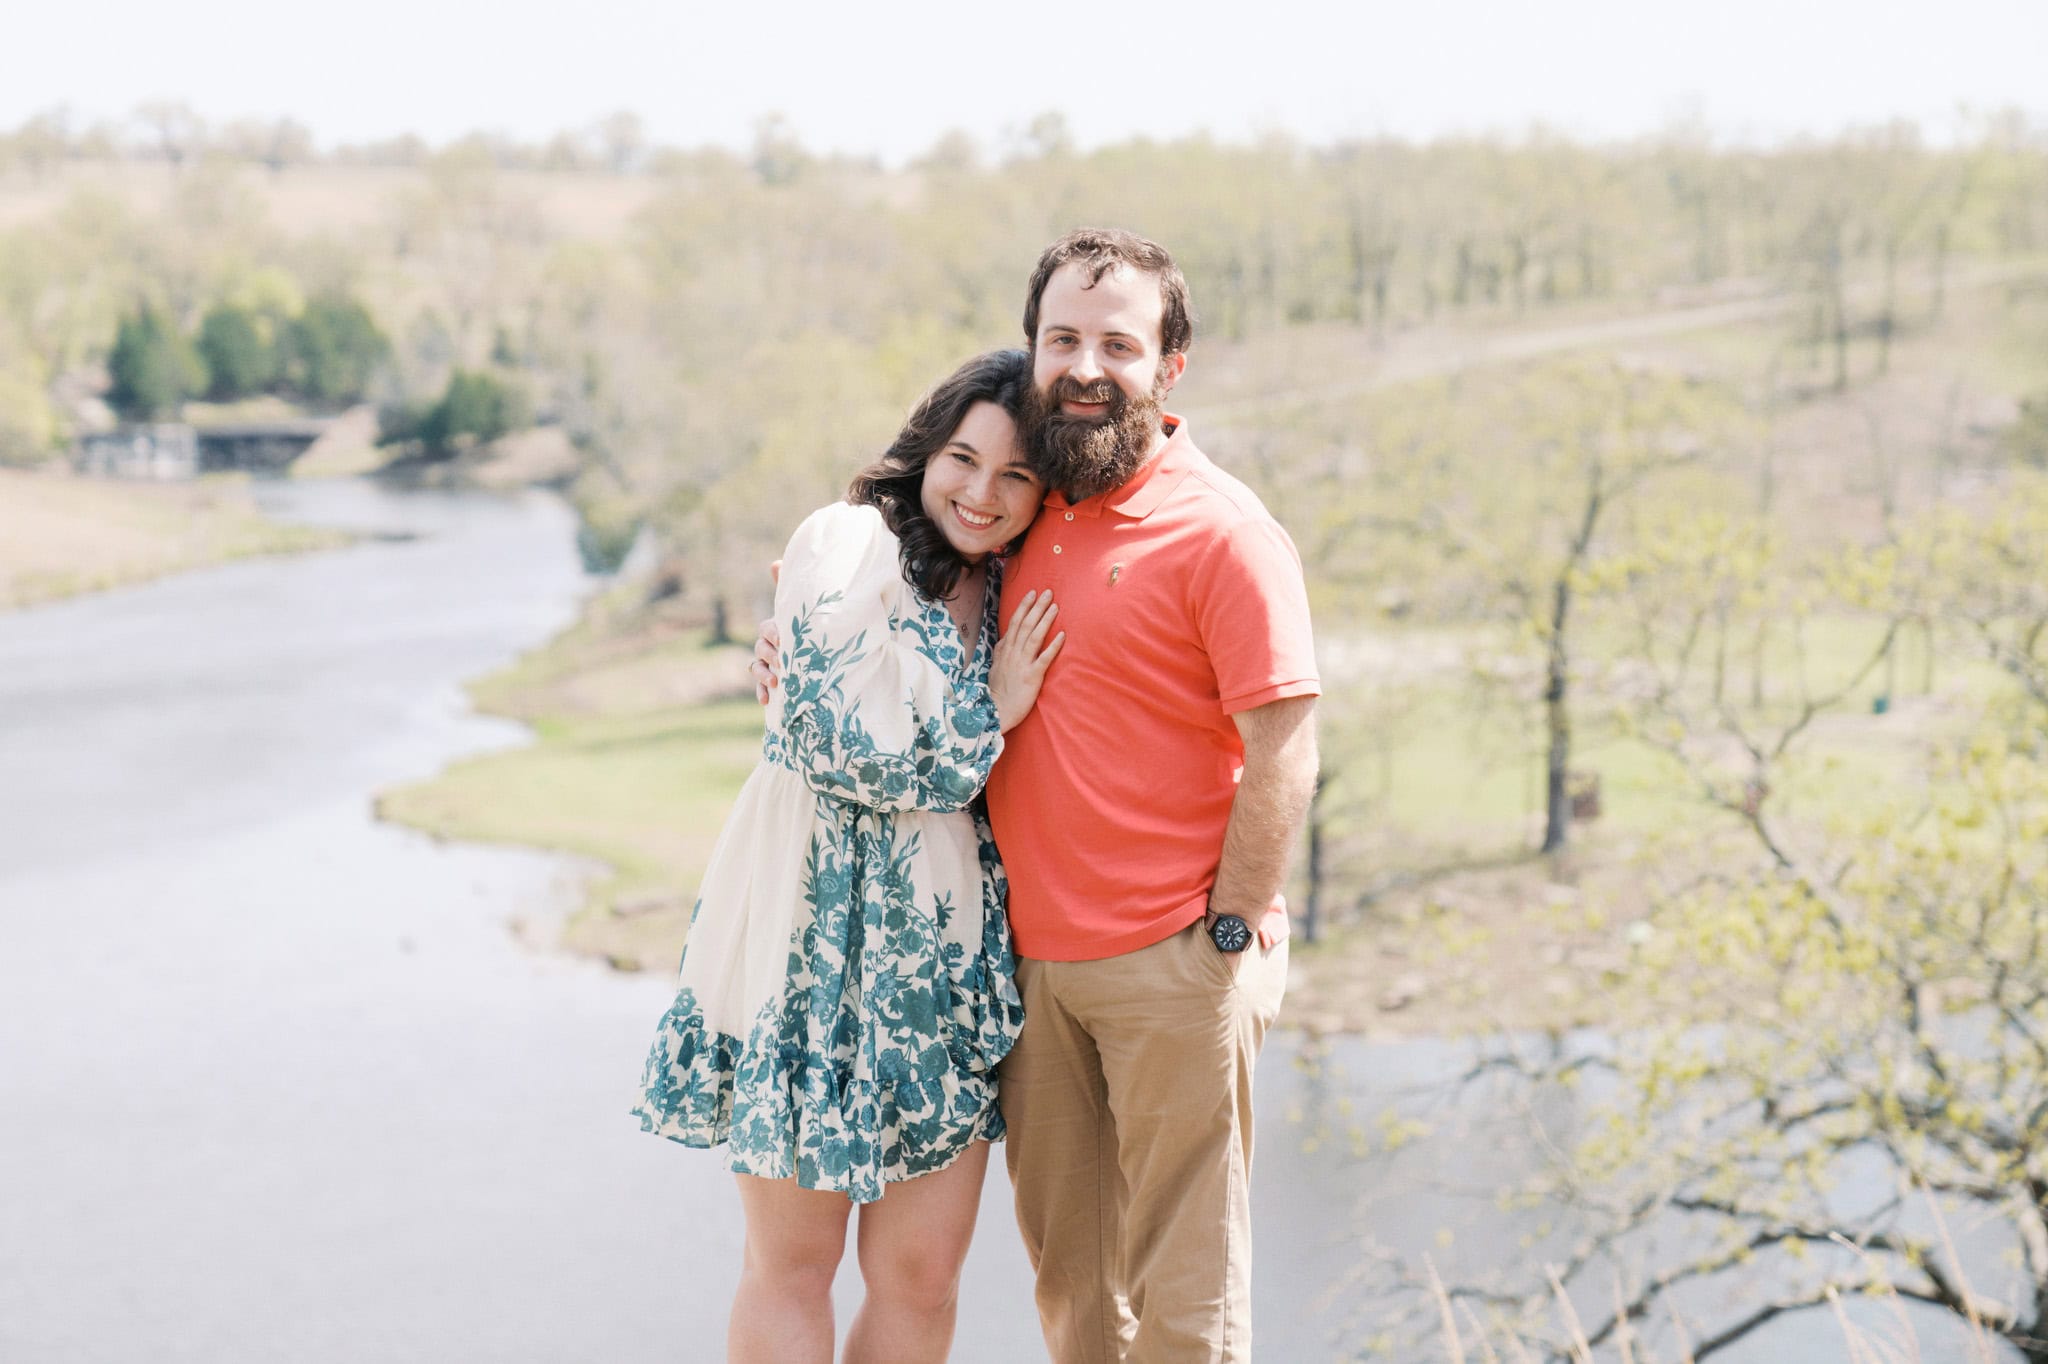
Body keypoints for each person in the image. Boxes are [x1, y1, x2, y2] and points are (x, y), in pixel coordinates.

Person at [756, 230, 1321, 1363]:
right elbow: (892, 598)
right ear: (1033, 346)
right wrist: (794, 641)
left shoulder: (1223, 531)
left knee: (1185, 1299)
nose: (1085, 363)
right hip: (1020, 974)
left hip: (1169, 959)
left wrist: (1223, 930)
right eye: (1062, 337)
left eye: (1118, 341)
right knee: (1074, 1293)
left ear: (1170, 363)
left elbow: (1283, 747)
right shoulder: (1033, 494)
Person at [633, 347, 1066, 1364]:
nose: (983, 492)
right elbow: (835, 745)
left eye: (1016, 476)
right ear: (925, 448)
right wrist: (989, 712)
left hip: (938, 967)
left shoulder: (1013, 589)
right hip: (806, 948)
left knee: (922, 1275)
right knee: (794, 1264)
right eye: (964, 458)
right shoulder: (844, 541)